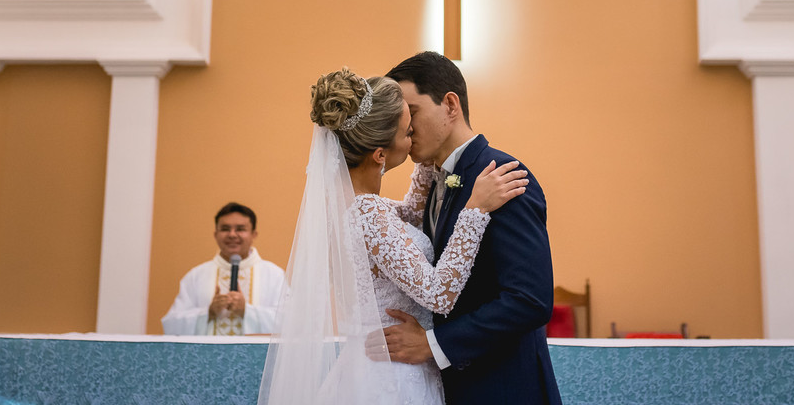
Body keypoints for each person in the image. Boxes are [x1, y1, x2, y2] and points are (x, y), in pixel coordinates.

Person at [257, 69, 527, 405]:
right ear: (381, 155)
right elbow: (438, 293)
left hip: (379, 366)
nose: (413, 138)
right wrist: (475, 210)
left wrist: (428, 164)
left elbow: (411, 221)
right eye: (407, 132)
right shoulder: (367, 214)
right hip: (392, 379)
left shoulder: (360, 208)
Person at [382, 51, 562, 404]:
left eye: (411, 112)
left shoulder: (501, 175)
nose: (403, 128)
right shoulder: (432, 182)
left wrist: (434, 344)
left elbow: (530, 299)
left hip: (504, 388)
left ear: (450, 105)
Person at [161, 202, 285, 335]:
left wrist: (247, 311)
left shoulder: (274, 275)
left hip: (257, 355)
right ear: (216, 234)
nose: (232, 235)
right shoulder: (196, 276)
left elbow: (291, 322)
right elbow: (171, 324)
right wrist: (208, 313)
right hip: (208, 355)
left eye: (240, 229)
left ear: (254, 234)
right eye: (225, 229)